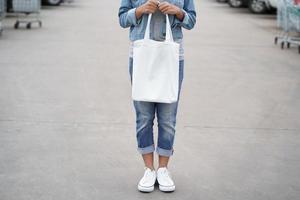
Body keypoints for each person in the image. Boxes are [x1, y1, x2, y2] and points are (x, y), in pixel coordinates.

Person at [118, 0, 196, 192]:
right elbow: (122, 19)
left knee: (168, 119)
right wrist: (140, 10)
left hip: (171, 57)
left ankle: (163, 169)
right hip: (142, 57)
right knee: (144, 118)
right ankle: (148, 169)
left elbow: (191, 20)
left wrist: (178, 11)